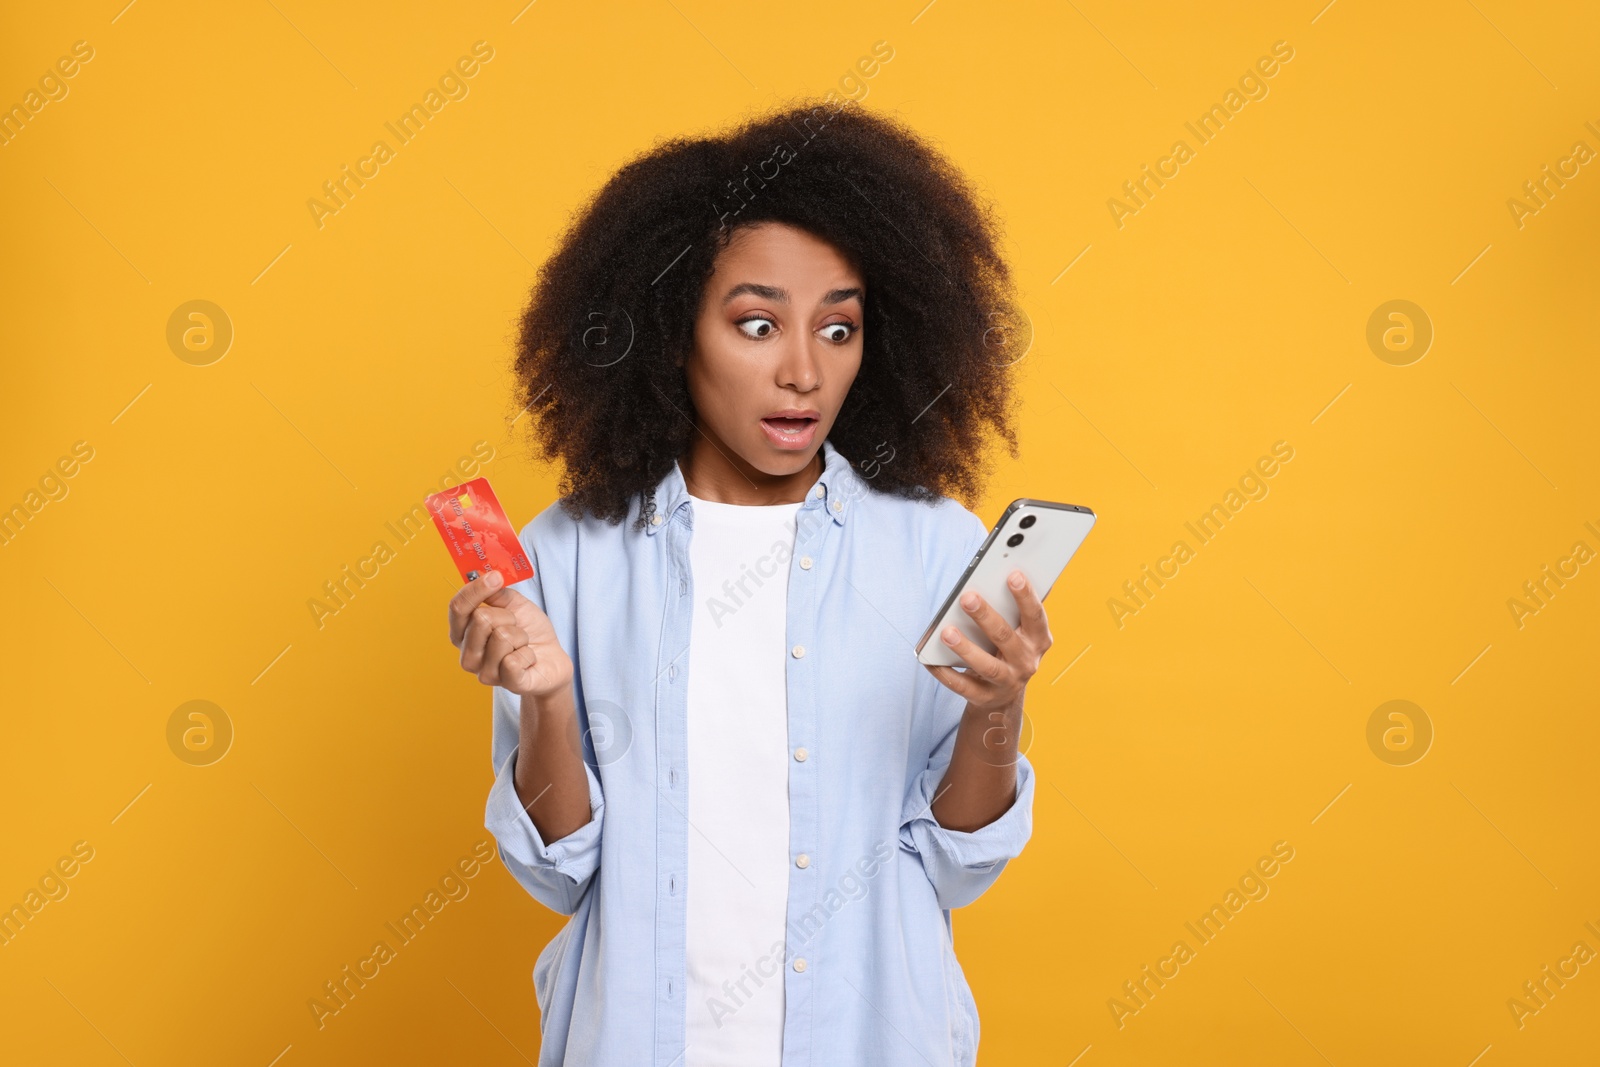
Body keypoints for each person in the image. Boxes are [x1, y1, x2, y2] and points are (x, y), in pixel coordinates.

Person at [448, 97, 1053, 1067]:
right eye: (758, 323)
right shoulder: (569, 551)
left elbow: (956, 859)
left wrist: (998, 705)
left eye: (840, 330)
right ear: (669, 327)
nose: (804, 371)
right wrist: (548, 700)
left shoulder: (936, 547)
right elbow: (559, 869)